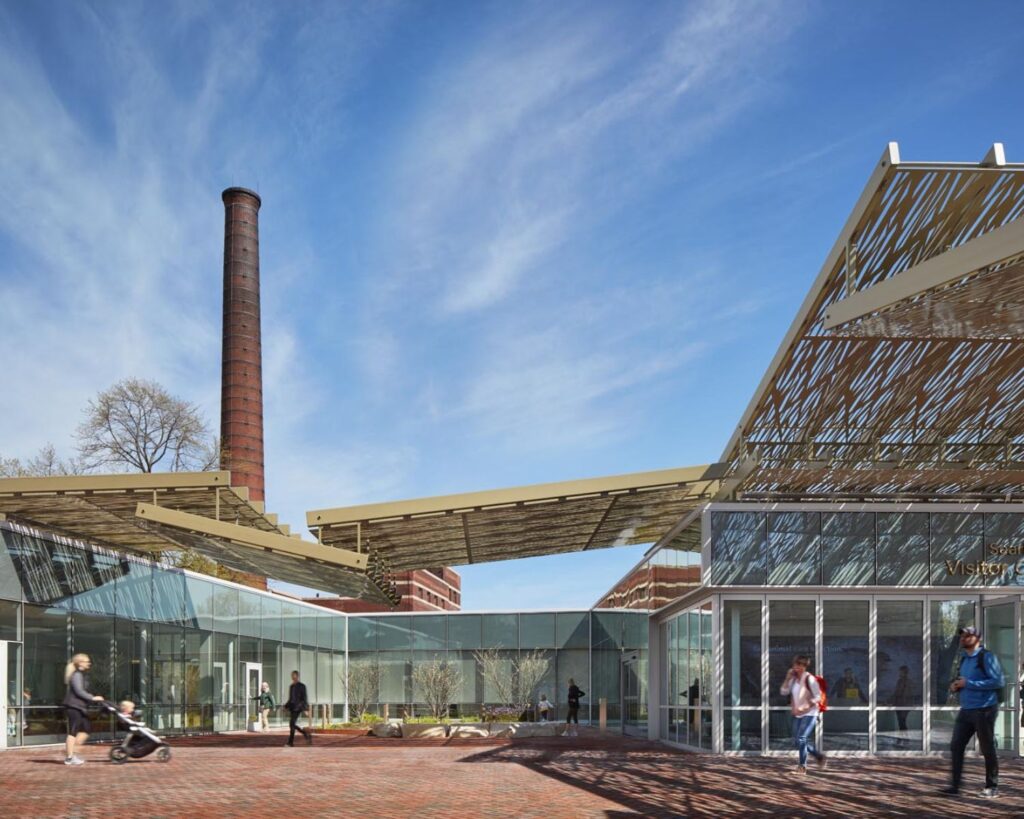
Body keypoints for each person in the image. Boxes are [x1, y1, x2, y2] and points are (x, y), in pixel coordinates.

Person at [943, 626, 1005, 799]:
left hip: (985, 709)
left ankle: (992, 787)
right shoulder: (963, 659)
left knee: (987, 748)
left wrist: (968, 683)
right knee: (956, 746)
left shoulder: (986, 657)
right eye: (962, 635)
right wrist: (955, 685)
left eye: (967, 635)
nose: (963, 638)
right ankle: (955, 787)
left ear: (977, 638)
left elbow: (997, 682)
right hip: (966, 710)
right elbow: (961, 680)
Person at [779, 654, 826, 774]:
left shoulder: (809, 679)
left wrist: (806, 707)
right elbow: (784, 692)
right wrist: (787, 678)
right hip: (797, 714)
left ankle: (802, 766)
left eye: (800, 665)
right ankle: (818, 755)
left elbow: (817, 697)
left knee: (802, 738)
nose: (797, 667)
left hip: (810, 713)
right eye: (795, 664)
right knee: (797, 741)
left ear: (805, 666)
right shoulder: (793, 679)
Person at [62, 653, 104, 766]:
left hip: (80, 707)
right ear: (80, 663)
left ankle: (71, 750)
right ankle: (69, 757)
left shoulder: (81, 674)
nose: (89, 663)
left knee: (87, 729)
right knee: (73, 730)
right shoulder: (77, 675)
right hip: (73, 706)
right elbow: (79, 691)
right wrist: (93, 697)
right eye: (87, 661)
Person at [284, 670, 312, 747]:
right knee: (292, 724)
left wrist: (306, 709)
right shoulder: (291, 686)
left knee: (292, 724)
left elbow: (304, 698)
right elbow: (291, 699)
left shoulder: (302, 686)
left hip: (298, 707)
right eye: (292, 675)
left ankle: (290, 742)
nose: (293, 677)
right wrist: (286, 706)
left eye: (294, 675)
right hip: (292, 707)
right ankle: (305, 734)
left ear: (297, 676)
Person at [891, 665, 912, 732]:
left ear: (904, 672)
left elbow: (899, 692)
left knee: (902, 722)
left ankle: (904, 738)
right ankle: (903, 738)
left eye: (901, 672)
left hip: (903, 705)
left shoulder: (904, 682)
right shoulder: (902, 681)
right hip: (902, 704)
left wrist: (892, 700)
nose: (899, 673)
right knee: (901, 722)